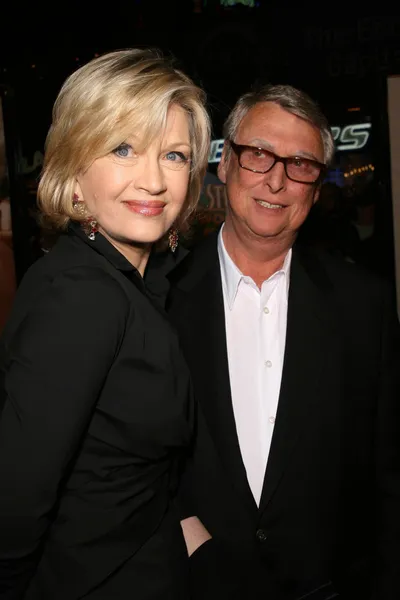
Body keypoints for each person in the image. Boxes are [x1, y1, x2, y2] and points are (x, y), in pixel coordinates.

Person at [166, 84, 400, 599]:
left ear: (316, 189)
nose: (277, 180)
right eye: (259, 155)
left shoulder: (366, 305)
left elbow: (387, 476)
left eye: (301, 164)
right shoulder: (156, 298)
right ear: (224, 164)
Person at [0, 48, 210, 599]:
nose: (154, 180)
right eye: (123, 149)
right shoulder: (83, 295)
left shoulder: (125, 283)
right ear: (73, 172)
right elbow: (16, 502)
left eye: (174, 155)